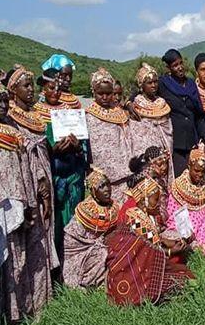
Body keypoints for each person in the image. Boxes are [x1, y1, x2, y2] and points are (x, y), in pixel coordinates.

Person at [0, 78, 52, 325]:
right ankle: (13, 314)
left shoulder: (13, 129)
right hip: (6, 206)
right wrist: (17, 205)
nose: (3, 106)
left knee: (31, 255)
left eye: (5, 101)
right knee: (11, 258)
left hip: (26, 199)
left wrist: (37, 189)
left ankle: (33, 305)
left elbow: (29, 160)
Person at [5, 65, 59, 284]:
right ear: (13, 90)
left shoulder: (35, 116)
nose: (31, 90)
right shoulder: (9, 118)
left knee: (45, 223)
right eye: (25, 86)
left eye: (31, 85)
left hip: (45, 173)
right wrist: (37, 179)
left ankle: (46, 284)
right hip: (26, 178)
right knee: (31, 226)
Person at [106, 175, 194, 306]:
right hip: (132, 273)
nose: (159, 204)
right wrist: (170, 251)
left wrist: (167, 242)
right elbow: (148, 250)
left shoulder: (142, 215)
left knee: (182, 273)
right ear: (143, 202)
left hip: (141, 266)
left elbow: (151, 242)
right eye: (156, 200)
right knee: (180, 278)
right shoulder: (137, 220)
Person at [34, 65, 89, 266]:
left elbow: (84, 145)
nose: (55, 93)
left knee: (74, 219)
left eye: (58, 89)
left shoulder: (70, 113)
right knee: (54, 222)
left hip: (73, 175)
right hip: (53, 176)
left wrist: (77, 146)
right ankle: (54, 265)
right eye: (51, 88)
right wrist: (52, 150)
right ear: (43, 89)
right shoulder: (35, 114)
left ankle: (74, 262)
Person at [164, 146, 205, 261]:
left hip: (201, 233)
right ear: (189, 166)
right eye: (196, 170)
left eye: (203, 171)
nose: (200, 175)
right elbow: (173, 216)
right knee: (177, 242)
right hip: (181, 231)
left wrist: (198, 233)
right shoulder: (178, 186)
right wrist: (186, 232)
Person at [157, 49, 205, 176]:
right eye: (175, 65)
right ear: (169, 68)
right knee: (181, 178)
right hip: (176, 144)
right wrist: (129, 103)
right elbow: (143, 90)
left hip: (193, 141)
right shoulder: (163, 84)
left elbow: (199, 115)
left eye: (181, 63)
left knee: (197, 176)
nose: (180, 68)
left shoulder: (191, 84)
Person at [62, 167, 117, 289]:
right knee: (103, 253)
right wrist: (98, 244)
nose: (107, 189)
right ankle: (89, 283)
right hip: (80, 252)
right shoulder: (86, 210)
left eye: (108, 184)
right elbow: (71, 241)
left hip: (101, 246)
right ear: (93, 191)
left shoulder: (113, 207)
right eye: (101, 186)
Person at [86, 67, 134, 199]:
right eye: (100, 93)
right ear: (93, 92)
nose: (105, 97)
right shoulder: (88, 116)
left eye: (108, 93)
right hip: (102, 176)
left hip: (125, 173)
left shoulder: (119, 112)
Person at [131, 62, 174, 155]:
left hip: (165, 150)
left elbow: (168, 129)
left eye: (155, 82)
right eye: (149, 83)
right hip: (146, 151)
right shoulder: (137, 105)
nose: (153, 85)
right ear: (142, 85)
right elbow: (136, 134)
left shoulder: (162, 102)